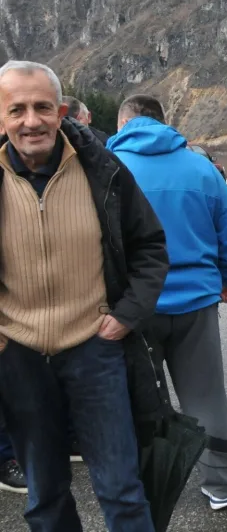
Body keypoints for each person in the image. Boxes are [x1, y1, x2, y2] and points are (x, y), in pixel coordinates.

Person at [0, 60, 168, 531]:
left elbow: (151, 246)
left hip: (94, 349)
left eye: (42, 107)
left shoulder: (103, 169)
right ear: (1, 118)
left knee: (121, 489)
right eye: (17, 110)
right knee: (44, 495)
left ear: (61, 111)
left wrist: (128, 315)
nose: (31, 120)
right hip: (19, 357)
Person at [109, 95, 227, 510]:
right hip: (196, 302)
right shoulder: (202, 168)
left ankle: (143, 486)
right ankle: (220, 485)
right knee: (205, 396)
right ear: (163, 121)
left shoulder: (110, 170)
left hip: (133, 307)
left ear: (124, 123)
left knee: (136, 398)